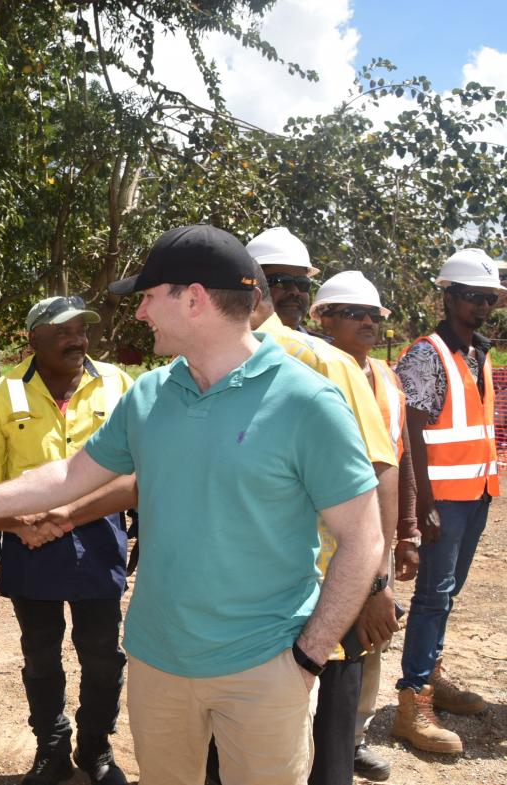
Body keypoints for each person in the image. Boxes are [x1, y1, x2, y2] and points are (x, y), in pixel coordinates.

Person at [0, 225, 385, 785]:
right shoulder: (150, 394)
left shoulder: (307, 401)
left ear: (193, 298)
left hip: (265, 668)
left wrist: (309, 656)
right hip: (158, 662)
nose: (139, 313)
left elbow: (363, 537)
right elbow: (71, 474)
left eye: (147, 297)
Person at [238, 262, 399, 785]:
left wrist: (377, 581)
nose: (289, 292)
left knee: (330, 738)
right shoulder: (202, 366)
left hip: (335, 582)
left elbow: (381, 470)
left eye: (298, 283)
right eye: (277, 280)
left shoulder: (326, 363)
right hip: (249, 594)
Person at [0, 295, 135, 785]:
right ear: (33, 338)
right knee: (40, 654)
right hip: (29, 548)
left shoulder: (118, 384)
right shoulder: (2, 395)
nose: (77, 339)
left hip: (100, 544)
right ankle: (52, 747)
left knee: (103, 655)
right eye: (63, 331)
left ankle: (96, 747)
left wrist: (140, 525)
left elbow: (136, 463)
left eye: (82, 329)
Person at [311, 271, 421, 782]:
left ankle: (351, 739)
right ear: (323, 318)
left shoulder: (387, 377)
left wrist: (407, 529)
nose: (370, 323)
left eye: (376, 315)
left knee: (371, 637)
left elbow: (396, 459)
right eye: (356, 313)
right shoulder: (308, 371)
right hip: (321, 546)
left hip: (372, 542)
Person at [391, 248, 502, 753]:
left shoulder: (478, 353)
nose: (483, 308)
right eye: (474, 298)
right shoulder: (427, 354)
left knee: (448, 593)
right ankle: (412, 701)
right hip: (444, 501)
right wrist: (421, 506)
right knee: (433, 596)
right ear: (450, 296)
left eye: (490, 300)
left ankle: (430, 675)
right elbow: (409, 434)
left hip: (475, 495)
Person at [246, 226, 320, 331]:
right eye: (281, 281)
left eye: (302, 283)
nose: (295, 291)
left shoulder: (316, 347)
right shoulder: (221, 344)